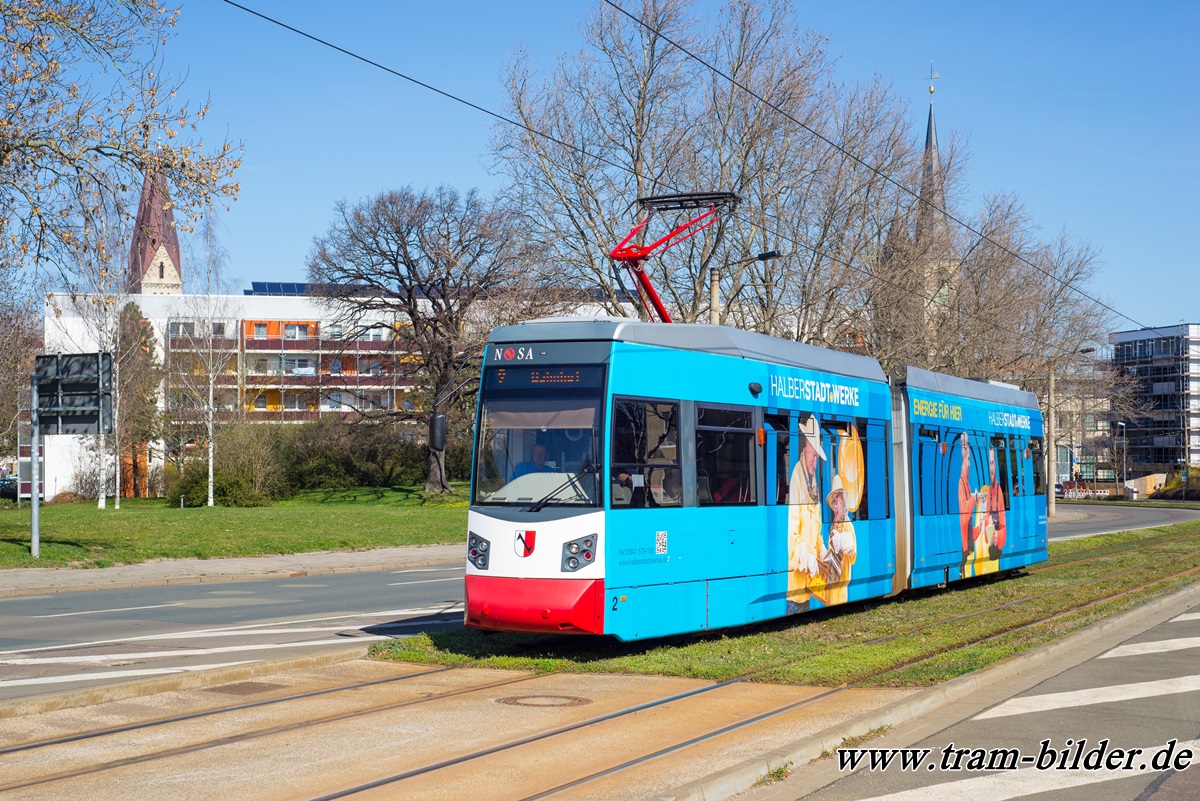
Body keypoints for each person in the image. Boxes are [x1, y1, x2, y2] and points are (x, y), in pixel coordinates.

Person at [787, 415, 825, 614]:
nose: (815, 461)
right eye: (814, 456)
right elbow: (793, 536)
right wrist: (808, 559)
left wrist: (823, 552)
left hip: (808, 589)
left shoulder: (812, 481)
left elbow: (816, 533)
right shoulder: (797, 477)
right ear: (807, 447)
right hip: (795, 593)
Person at [818, 474, 858, 606]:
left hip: (840, 593)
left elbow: (851, 550)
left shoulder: (848, 525)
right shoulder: (834, 525)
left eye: (836, 502)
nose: (834, 507)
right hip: (831, 592)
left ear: (844, 502)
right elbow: (831, 559)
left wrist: (840, 540)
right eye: (832, 503)